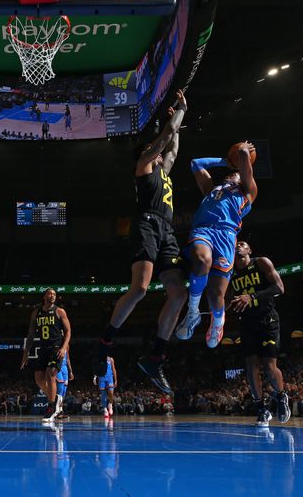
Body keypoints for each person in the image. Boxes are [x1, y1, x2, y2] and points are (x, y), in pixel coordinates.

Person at [95, 91, 188, 394]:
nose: (160, 153)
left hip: (167, 230)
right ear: (145, 154)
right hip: (146, 224)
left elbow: (173, 146)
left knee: (178, 293)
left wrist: (180, 114)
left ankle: (156, 357)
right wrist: (175, 117)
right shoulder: (144, 167)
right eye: (153, 150)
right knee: (141, 288)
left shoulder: (164, 170)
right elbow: (166, 137)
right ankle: (106, 340)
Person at [176, 142, 258, 348]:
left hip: (226, 236)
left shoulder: (248, 192)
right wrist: (226, 162)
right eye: (231, 173)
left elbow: (243, 156)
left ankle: (218, 322)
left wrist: (241, 156)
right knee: (202, 260)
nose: (231, 176)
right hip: (203, 230)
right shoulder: (212, 190)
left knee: (215, 296)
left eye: (237, 173)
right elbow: (196, 163)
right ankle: (193, 311)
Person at [229, 240, 289, 427]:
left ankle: (281, 396)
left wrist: (252, 296)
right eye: (235, 244)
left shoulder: (261, 262)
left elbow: (279, 288)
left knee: (269, 366)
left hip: (267, 320)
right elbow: (225, 298)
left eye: (243, 244)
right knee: (251, 366)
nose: (238, 246)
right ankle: (262, 408)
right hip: (247, 322)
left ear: (249, 250)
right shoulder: (229, 273)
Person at [21, 288, 71, 422]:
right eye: (50, 293)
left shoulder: (59, 311)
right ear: (44, 296)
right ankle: (55, 402)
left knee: (51, 375)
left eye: (55, 294)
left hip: (55, 348)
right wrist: (26, 353)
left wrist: (64, 347)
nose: (53, 296)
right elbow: (31, 334)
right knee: (38, 379)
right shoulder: (36, 312)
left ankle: (51, 408)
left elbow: (68, 331)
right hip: (42, 348)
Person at [54, 350, 73, 420]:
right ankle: (56, 410)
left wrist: (70, 371)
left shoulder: (67, 345)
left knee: (64, 390)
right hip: (57, 367)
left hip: (65, 368)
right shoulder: (56, 342)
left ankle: (60, 411)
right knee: (60, 387)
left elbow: (67, 358)